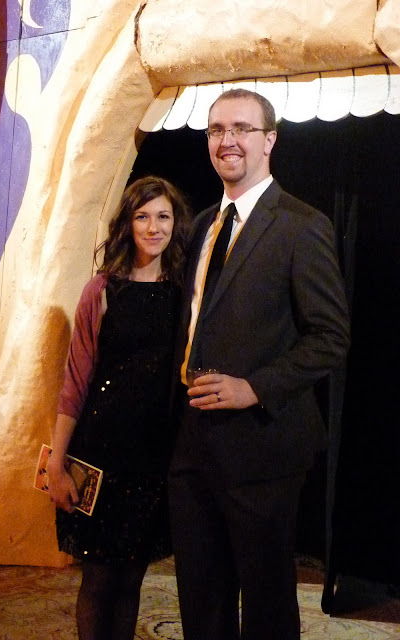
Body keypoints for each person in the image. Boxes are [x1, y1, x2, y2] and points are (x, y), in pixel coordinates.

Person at [168, 88, 350, 640]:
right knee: (201, 603)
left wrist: (255, 387)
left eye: (242, 129)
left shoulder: (302, 225)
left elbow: (331, 337)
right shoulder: (202, 225)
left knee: (268, 611)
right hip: (192, 448)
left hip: (262, 449)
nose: (228, 141)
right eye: (217, 130)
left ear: (270, 140)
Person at [48, 176, 191, 640]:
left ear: (175, 223)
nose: (153, 227)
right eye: (142, 216)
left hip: (152, 459)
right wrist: (56, 462)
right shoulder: (101, 290)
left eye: (163, 216)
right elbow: (75, 381)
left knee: (131, 579)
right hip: (100, 453)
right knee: (98, 579)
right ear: (127, 224)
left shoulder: (184, 293)